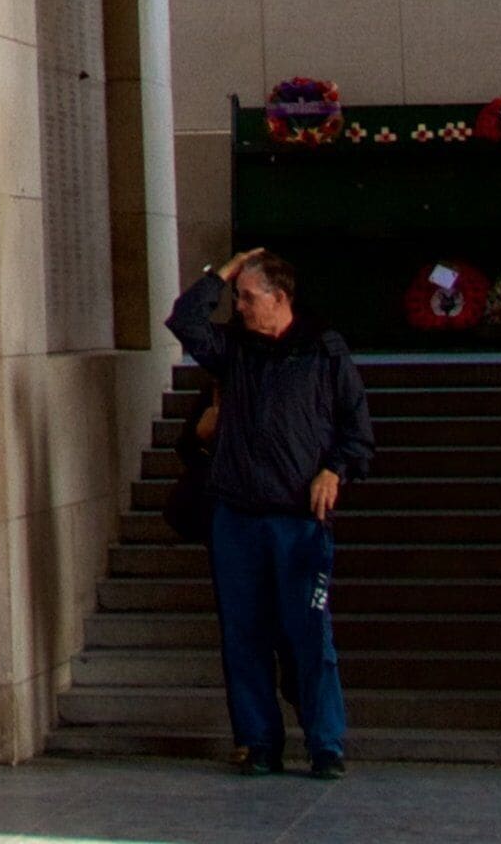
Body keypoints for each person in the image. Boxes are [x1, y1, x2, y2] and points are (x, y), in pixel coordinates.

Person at [168, 246, 373, 779]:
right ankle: (258, 741)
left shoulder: (325, 351)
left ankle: (326, 743)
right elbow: (184, 320)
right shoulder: (233, 350)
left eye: (248, 297)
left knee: (310, 633)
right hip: (237, 516)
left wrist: (335, 470)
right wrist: (227, 271)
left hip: (298, 520)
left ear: (280, 299)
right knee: (244, 633)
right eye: (237, 297)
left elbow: (357, 432)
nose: (239, 306)